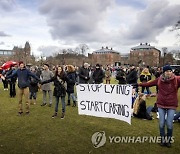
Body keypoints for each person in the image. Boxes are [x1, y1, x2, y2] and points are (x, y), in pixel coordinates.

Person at [138, 65, 180, 147]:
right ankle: (162, 140)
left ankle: (168, 140)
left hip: (171, 105)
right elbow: (148, 84)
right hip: (161, 104)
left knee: (169, 123)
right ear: (164, 72)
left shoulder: (177, 79)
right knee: (161, 123)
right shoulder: (159, 80)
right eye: (167, 71)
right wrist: (138, 84)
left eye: (170, 71)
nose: (169, 73)